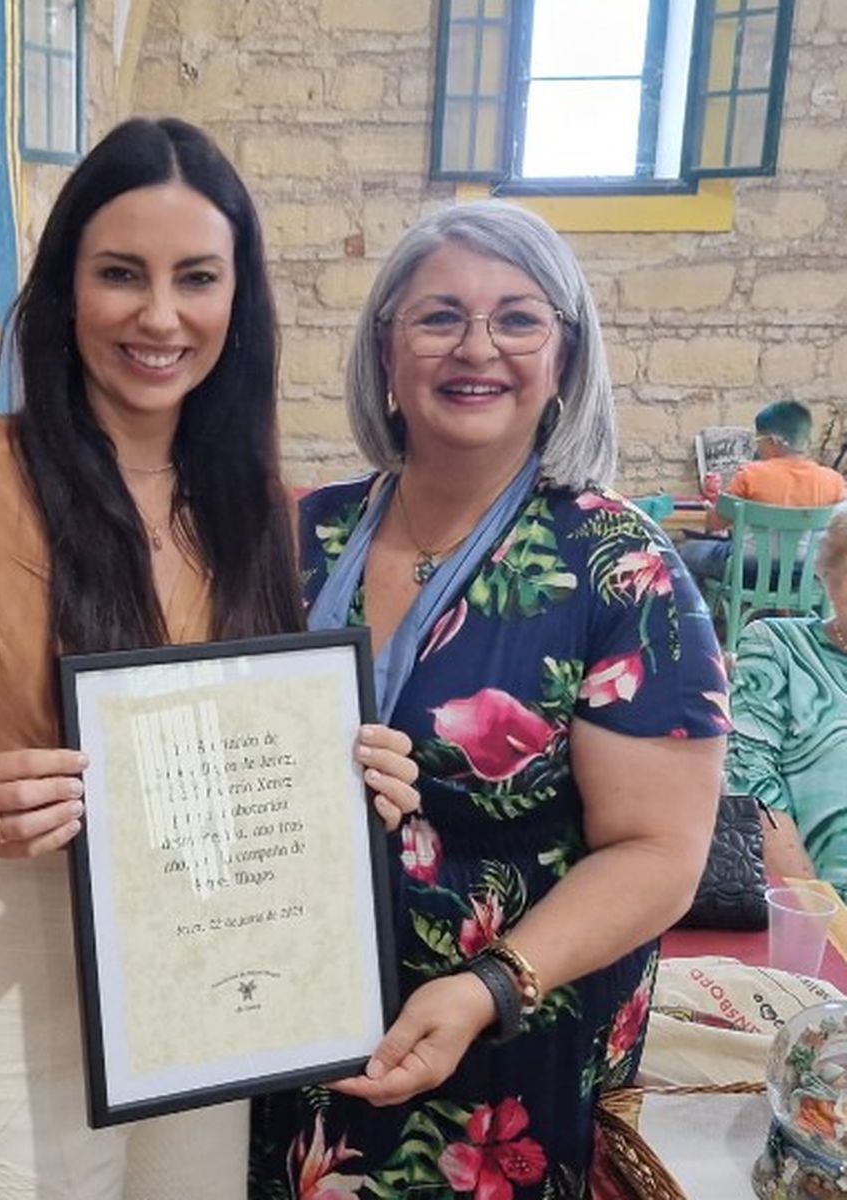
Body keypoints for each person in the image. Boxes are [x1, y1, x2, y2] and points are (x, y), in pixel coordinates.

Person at [0, 118, 421, 1199]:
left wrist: (345, 776)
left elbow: (253, 753)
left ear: (240, 299)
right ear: (65, 287)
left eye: (196, 278)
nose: (160, 315)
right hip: (5, 941)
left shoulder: (256, 514)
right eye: (121, 274)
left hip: (195, 954)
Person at [250, 201, 729, 1200]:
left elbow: (659, 857)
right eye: (438, 317)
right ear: (386, 345)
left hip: (502, 1061)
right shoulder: (296, 535)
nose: (477, 347)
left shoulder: (622, 571)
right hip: (291, 1035)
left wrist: (489, 988)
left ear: (563, 354)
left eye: (517, 319)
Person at [727, 507, 847, 900]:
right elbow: (751, 784)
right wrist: (817, 911)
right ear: (829, 576)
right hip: (817, 907)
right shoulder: (779, 648)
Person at [680, 400, 845, 584]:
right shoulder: (834, 482)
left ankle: (700, 612)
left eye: (758, 441)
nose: (756, 447)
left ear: (773, 441)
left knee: (685, 551)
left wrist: (711, 508)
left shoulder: (751, 476)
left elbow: (715, 523)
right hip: (806, 574)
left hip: (749, 570)